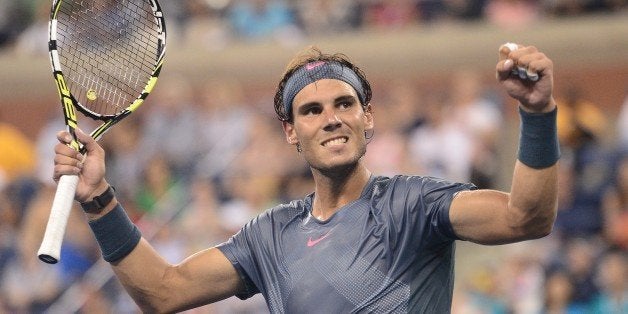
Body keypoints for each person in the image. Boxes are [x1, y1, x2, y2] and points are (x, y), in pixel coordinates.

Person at [51, 44, 559, 313]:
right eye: (312, 110)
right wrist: (98, 197)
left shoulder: (416, 204)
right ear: (291, 133)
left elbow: (525, 218)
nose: (332, 117)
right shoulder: (268, 236)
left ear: (368, 119)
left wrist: (537, 115)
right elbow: (162, 292)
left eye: (345, 103)